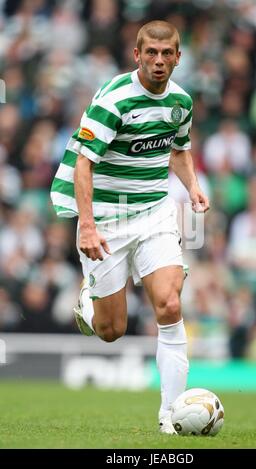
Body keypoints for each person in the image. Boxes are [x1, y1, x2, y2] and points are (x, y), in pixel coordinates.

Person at [50, 20, 209, 434]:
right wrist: (86, 225)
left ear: (178, 57)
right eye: (151, 54)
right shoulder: (114, 99)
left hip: (154, 212)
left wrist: (192, 188)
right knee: (111, 331)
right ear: (137, 55)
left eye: (167, 54)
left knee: (170, 306)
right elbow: (84, 164)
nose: (159, 62)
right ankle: (90, 301)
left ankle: (171, 414)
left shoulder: (181, 103)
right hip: (106, 217)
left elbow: (179, 151)